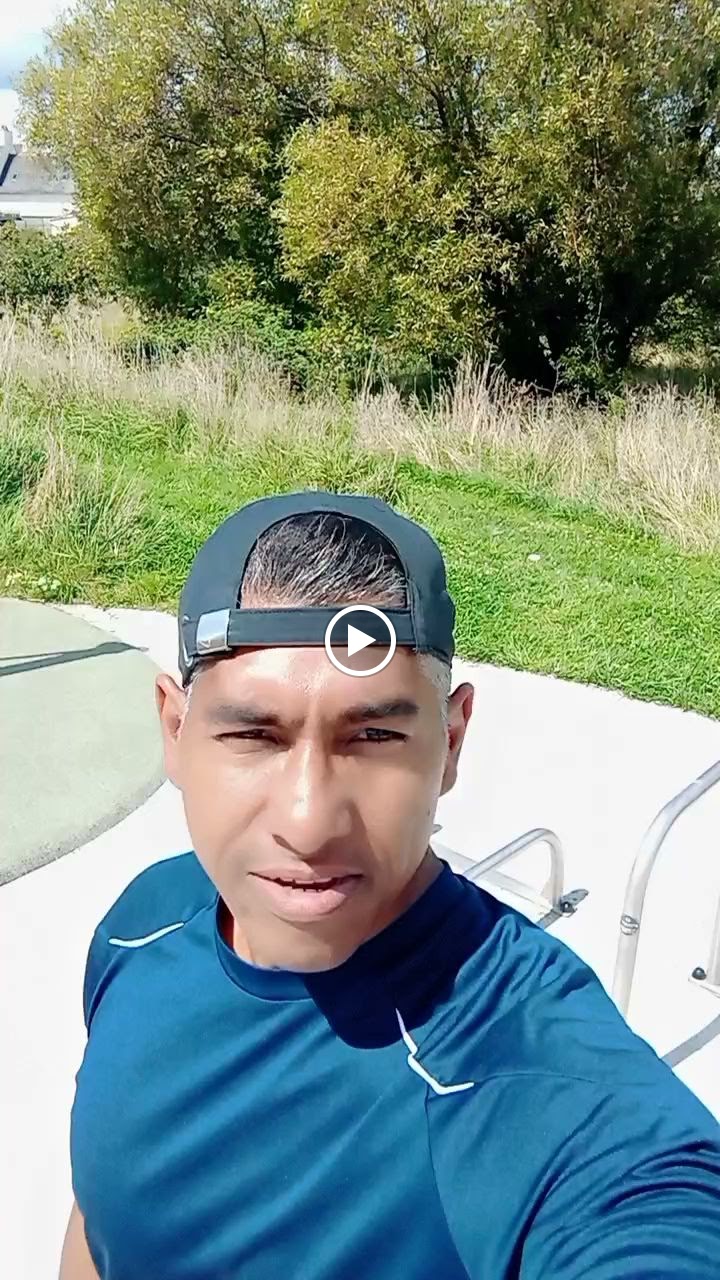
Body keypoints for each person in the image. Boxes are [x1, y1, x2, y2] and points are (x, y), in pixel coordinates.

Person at [61, 489, 720, 1280]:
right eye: (253, 734)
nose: (308, 823)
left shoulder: (532, 1077)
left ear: (451, 742)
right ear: (176, 730)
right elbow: (106, 1208)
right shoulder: (145, 921)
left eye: (373, 736)